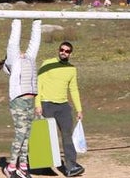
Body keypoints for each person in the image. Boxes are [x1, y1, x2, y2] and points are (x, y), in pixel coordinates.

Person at [37, 41, 85, 177]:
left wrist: (79, 109)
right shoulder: (47, 63)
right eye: (62, 50)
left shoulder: (72, 69)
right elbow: (38, 84)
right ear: (58, 50)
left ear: (70, 54)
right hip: (47, 104)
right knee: (46, 136)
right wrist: (37, 104)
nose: (64, 52)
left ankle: (70, 166)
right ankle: (45, 166)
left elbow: (73, 89)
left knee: (67, 135)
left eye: (67, 51)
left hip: (63, 106)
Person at [2, 19, 42, 178]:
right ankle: (11, 166)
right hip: (18, 101)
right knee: (21, 134)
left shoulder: (30, 58)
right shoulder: (14, 60)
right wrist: (17, 19)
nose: (23, 52)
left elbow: (35, 42)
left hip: (30, 101)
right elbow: (13, 42)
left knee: (27, 135)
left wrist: (37, 21)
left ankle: (23, 166)